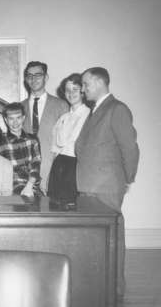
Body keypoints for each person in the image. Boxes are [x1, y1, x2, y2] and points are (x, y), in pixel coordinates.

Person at [75, 67, 139, 299]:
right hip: (89, 186)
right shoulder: (96, 111)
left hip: (105, 186)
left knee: (112, 239)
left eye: (85, 84)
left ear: (100, 82)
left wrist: (128, 178)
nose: (82, 89)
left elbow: (130, 147)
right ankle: (99, 289)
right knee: (96, 241)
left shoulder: (117, 109)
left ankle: (115, 291)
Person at [21, 61, 68, 194]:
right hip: (26, 174)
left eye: (38, 75)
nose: (33, 79)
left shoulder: (61, 105)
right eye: (29, 75)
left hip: (53, 170)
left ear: (46, 77)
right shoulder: (19, 108)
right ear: (25, 79)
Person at [47, 73, 90, 201]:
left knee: (73, 205)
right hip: (60, 165)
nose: (71, 93)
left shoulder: (89, 115)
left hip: (76, 166)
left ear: (82, 91)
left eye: (75, 89)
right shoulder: (63, 118)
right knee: (55, 204)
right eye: (67, 90)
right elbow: (56, 147)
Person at [0, 102, 41, 197]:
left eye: (18, 118)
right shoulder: (0, 142)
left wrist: (29, 186)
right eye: (11, 119)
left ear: (23, 118)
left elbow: (36, 166)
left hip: (32, 186)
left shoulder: (33, 140)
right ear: (5, 120)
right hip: (11, 188)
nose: (15, 122)